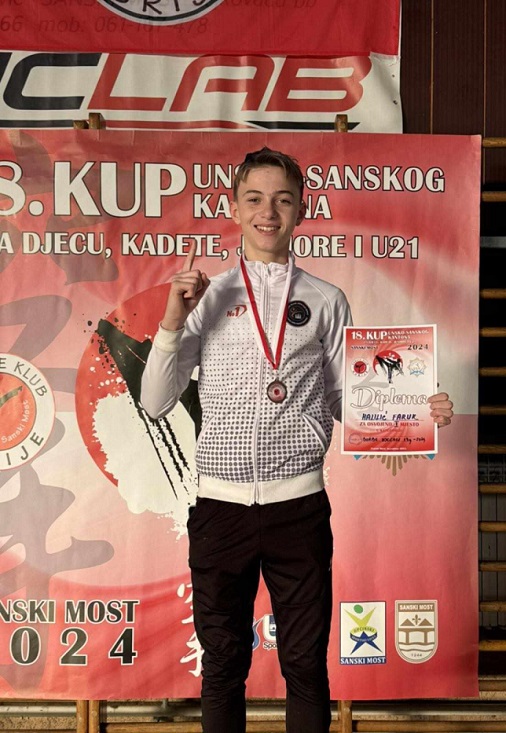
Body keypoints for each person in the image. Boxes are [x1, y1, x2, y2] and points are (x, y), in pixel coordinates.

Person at [140, 147, 453, 733]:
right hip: (220, 509)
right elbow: (155, 401)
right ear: (234, 208)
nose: (268, 212)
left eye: (283, 199)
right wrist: (171, 321)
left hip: (299, 509)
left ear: (302, 209)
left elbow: (345, 399)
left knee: (306, 666)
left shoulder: (326, 299)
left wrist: (415, 410)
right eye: (255, 199)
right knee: (223, 667)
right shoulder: (205, 297)